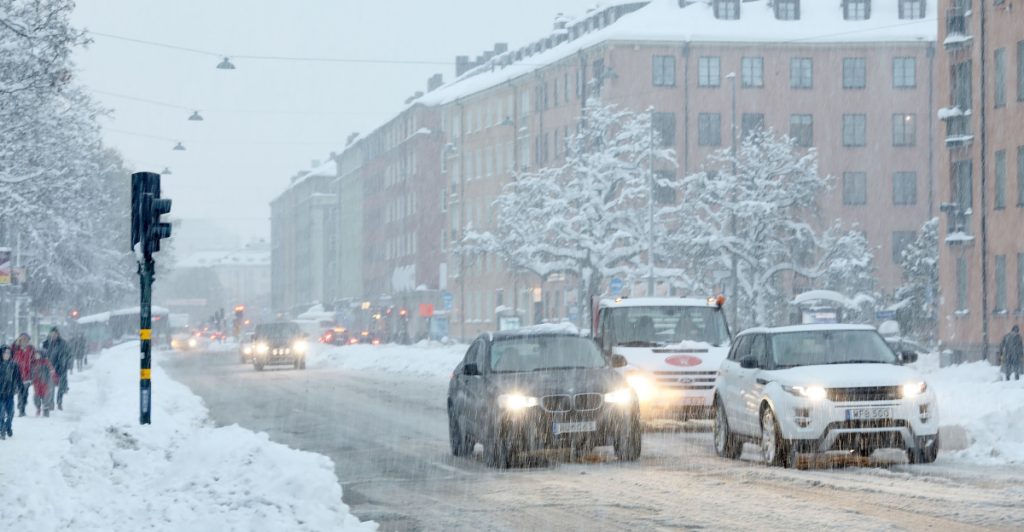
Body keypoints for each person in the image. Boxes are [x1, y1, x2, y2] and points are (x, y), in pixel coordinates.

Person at [42, 328, 71, 410]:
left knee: (61, 387)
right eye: (52, 334)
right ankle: (51, 403)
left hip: (61, 367)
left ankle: (59, 402)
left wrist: (67, 363)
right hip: (51, 368)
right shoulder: (48, 343)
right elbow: (45, 354)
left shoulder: (63, 343)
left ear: (58, 334)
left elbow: (68, 354)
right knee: (51, 387)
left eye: (55, 334)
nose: (53, 335)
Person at [0, 346, 23, 439]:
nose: (6, 355)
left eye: (8, 353)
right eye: (5, 353)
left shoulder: (14, 365)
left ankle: (8, 426)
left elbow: (18, 378)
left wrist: (20, 386)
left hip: (10, 392)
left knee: (10, 413)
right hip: (0, 393)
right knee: (1, 412)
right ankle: (2, 428)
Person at [11, 334, 34, 417]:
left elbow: (34, 360)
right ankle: (21, 409)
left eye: (26, 340)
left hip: (28, 375)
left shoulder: (31, 349)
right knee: (21, 392)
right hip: (18, 375)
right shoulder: (15, 349)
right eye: (22, 339)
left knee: (25, 393)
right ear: (19, 341)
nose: (24, 341)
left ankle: (22, 404)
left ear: (28, 341)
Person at [30, 350, 57, 417]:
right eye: (35, 354)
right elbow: (31, 372)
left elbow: (51, 371)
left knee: (46, 397)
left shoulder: (46, 362)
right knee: (36, 397)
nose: (36, 356)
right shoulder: (33, 363)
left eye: (38, 354)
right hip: (36, 383)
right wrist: (32, 379)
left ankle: (46, 410)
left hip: (45, 382)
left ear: (41, 355)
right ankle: (38, 408)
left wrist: (51, 378)